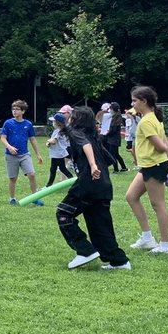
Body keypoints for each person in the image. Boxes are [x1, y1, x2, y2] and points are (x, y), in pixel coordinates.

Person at [56, 107, 132, 271]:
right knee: (99, 225)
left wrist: (91, 165)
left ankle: (85, 251)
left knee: (63, 213)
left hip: (88, 183)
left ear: (77, 120)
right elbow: (109, 160)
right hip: (103, 186)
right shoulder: (94, 137)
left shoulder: (77, 132)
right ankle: (119, 261)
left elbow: (86, 146)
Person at [125, 86, 168, 254]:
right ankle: (147, 238)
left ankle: (165, 245)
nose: (132, 104)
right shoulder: (152, 118)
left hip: (154, 165)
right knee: (131, 197)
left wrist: (166, 161)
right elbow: (166, 144)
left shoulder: (146, 121)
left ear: (144, 102)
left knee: (158, 204)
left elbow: (161, 146)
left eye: (134, 101)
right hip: (150, 166)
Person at [0, 100, 44, 206]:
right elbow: (3, 138)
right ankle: (12, 199)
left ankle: (35, 198)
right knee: (13, 178)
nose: (14, 111)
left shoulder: (28, 124)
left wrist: (38, 154)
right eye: (13, 109)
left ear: (23, 111)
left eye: (17, 109)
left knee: (32, 175)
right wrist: (9, 147)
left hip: (24, 154)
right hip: (11, 156)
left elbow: (32, 139)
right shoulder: (8, 123)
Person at [45, 112, 74, 186]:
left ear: (57, 123)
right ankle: (49, 184)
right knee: (54, 169)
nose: (53, 123)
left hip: (58, 153)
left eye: (53, 121)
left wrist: (48, 141)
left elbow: (54, 141)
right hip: (57, 153)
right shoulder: (59, 130)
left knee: (61, 168)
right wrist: (49, 143)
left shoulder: (59, 131)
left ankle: (72, 180)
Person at [105, 103, 128, 172]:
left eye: (110, 109)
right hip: (115, 139)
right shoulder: (116, 116)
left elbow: (113, 130)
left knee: (113, 155)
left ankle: (116, 169)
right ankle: (123, 167)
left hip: (113, 139)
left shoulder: (115, 118)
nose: (110, 110)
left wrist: (107, 133)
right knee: (116, 154)